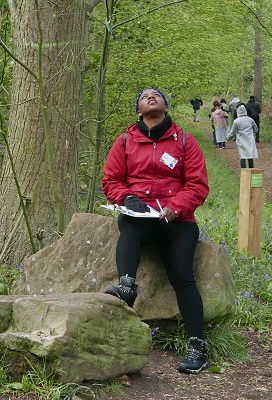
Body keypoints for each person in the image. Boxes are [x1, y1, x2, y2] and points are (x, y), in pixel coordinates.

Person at [102, 88, 210, 374]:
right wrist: (126, 198)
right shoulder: (125, 141)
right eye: (144, 95)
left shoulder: (185, 141)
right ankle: (126, 285)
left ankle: (198, 346)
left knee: (183, 278)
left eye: (156, 94)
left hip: (177, 221)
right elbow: (111, 180)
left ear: (165, 106)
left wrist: (176, 207)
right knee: (130, 222)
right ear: (138, 109)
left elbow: (198, 185)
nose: (151, 96)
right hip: (140, 218)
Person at [226, 104, 258, 168]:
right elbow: (256, 129)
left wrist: (228, 138)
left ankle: (243, 173)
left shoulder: (236, 121)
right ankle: (250, 171)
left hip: (241, 140)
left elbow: (233, 132)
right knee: (250, 155)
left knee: (242, 155)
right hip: (250, 139)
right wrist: (252, 133)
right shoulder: (250, 120)